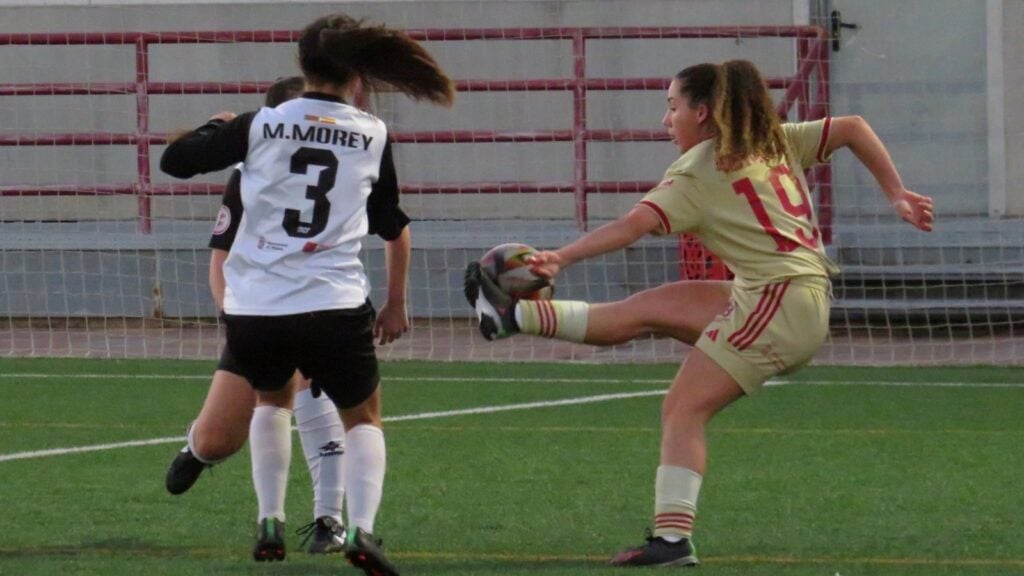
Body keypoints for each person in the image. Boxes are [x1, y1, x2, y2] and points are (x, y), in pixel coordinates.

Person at [464, 60, 933, 567]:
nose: (666, 120)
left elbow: (631, 226)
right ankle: (511, 317)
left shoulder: (697, 171)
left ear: (703, 113)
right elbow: (852, 127)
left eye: (673, 107)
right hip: (784, 294)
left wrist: (562, 256)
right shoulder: (772, 139)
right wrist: (897, 193)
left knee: (683, 408)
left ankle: (671, 540)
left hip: (778, 303)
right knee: (650, 307)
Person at [160, 13, 454, 576]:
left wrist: (212, 126)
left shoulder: (260, 124)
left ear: (303, 65)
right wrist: (395, 303)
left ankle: (270, 519)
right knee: (363, 416)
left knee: (272, 401)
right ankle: (361, 531)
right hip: (334, 302)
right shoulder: (372, 133)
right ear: (358, 76)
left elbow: (175, 163)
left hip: (260, 307)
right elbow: (390, 220)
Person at [164, 76, 354, 560]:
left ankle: (328, 520)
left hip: (320, 303)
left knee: (318, 391)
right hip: (259, 310)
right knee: (218, 437)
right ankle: (197, 449)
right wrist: (236, 317)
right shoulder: (251, 176)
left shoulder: (345, 157)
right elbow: (220, 258)